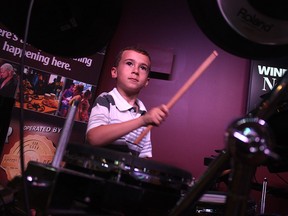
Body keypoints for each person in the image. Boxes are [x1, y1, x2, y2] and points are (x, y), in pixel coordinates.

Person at [86, 46, 169, 158]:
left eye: (143, 68)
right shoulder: (106, 100)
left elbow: (143, 159)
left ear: (147, 82)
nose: (135, 71)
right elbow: (94, 138)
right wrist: (142, 121)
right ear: (114, 72)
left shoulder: (145, 114)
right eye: (129, 63)